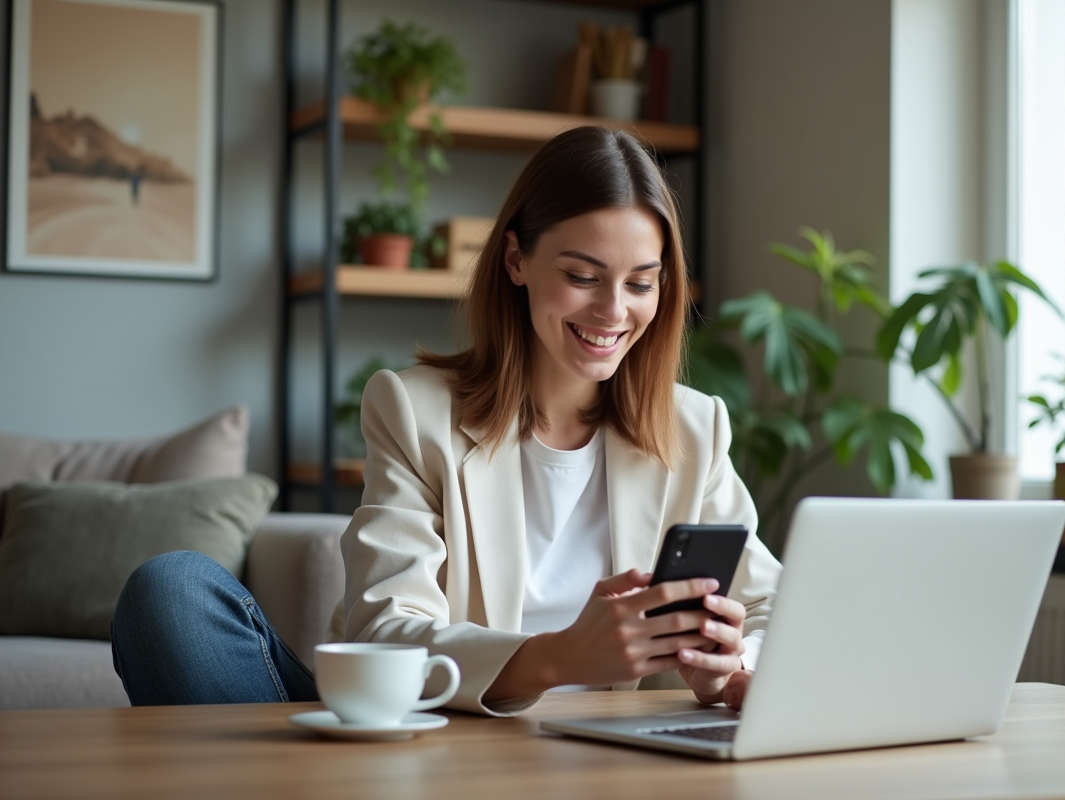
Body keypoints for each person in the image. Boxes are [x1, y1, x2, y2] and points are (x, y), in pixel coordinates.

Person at [110, 126, 781, 714]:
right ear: (516, 260)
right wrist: (559, 657)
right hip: (437, 738)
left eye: (640, 282)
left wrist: (731, 667)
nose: (613, 310)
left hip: (608, 758)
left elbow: (770, 605)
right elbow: (386, 631)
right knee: (171, 593)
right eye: (583, 275)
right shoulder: (416, 411)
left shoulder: (693, 428)